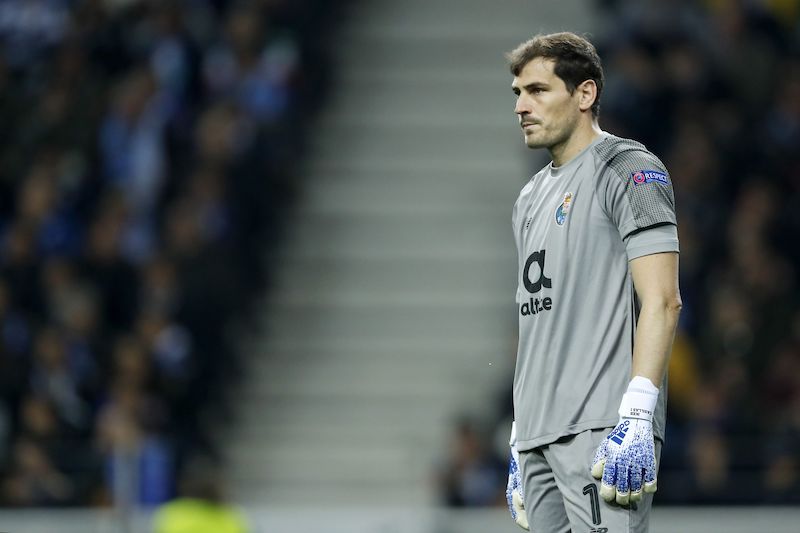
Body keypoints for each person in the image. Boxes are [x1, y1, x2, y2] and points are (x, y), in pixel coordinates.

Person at [503, 32, 682, 532]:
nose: (521, 106)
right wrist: (519, 435)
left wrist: (638, 415)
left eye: (537, 91)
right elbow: (537, 318)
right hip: (538, 438)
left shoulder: (629, 169)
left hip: (603, 428)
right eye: (517, 93)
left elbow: (663, 301)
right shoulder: (528, 198)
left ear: (585, 94)